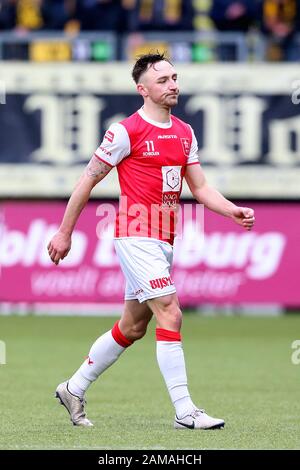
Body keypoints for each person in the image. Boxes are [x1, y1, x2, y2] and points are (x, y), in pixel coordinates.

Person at [47, 52, 255, 430]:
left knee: (133, 327)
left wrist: (232, 210)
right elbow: (88, 179)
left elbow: (201, 187)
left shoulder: (185, 132)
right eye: (163, 80)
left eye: (174, 77)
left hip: (164, 239)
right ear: (142, 90)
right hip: (135, 235)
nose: (173, 84)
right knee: (171, 311)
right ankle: (185, 411)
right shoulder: (125, 131)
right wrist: (65, 231)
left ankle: (73, 388)